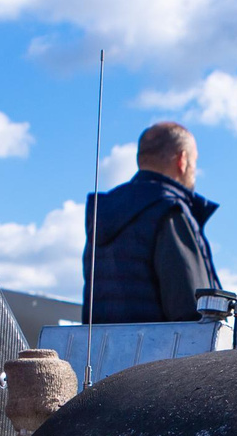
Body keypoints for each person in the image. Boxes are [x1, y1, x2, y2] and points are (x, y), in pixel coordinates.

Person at [84, 121, 220, 323]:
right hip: (165, 352)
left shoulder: (104, 213)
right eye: (194, 161)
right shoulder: (170, 210)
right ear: (182, 160)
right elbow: (194, 310)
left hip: (102, 352)